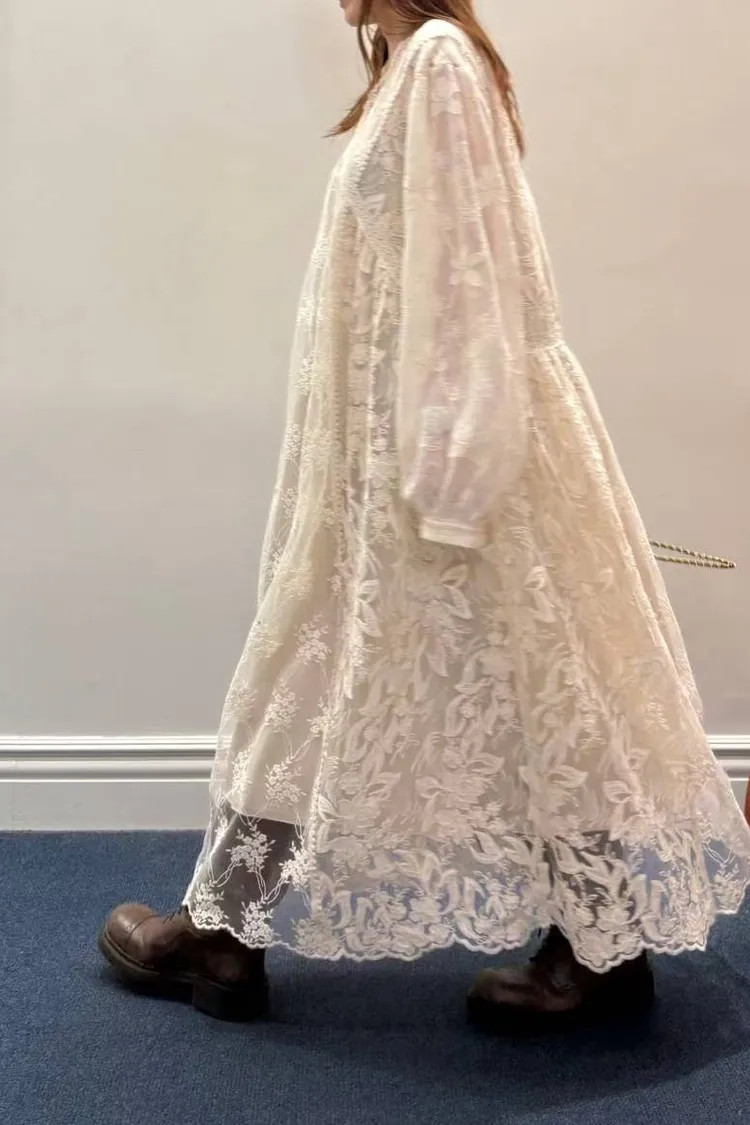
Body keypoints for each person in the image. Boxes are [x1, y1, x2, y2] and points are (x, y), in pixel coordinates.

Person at [98, 0, 750, 1032]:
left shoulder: (441, 62)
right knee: (411, 680)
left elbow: (469, 282)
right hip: (392, 465)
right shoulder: (415, 66)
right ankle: (236, 931)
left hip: (432, 473)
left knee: (522, 688)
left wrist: (450, 484)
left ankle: (588, 950)